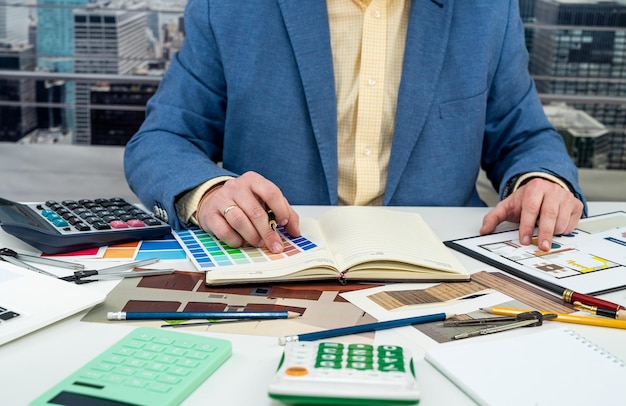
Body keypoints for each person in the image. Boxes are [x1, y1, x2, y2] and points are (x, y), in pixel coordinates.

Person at [125, 0, 585, 257]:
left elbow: (524, 135)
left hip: (445, 261)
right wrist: (208, 191)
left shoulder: (486, 11)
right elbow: (163, 138)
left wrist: (542, 179)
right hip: (272, 256)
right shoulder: (231, 8)